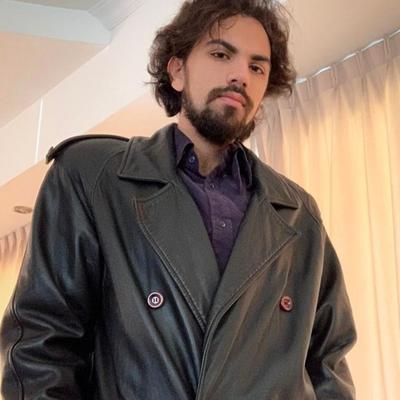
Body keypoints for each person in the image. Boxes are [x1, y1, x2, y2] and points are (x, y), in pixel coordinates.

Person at [0, 0, 356, 399]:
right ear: (177, 71)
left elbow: (328, 363)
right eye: (221, 54)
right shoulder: (93, 176)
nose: (241, 75)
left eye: (258, 67)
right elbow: (42, 345)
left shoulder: (298, 214)